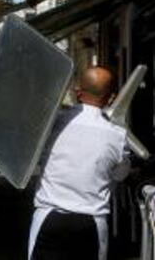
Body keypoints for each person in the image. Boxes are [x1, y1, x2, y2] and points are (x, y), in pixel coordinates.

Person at [28, 66, 133, 260]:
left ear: (78, 93)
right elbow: (120, 174)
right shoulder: (118, 136)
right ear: (111, 97)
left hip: (49, 218)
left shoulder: (51, 124)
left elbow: (31, 157)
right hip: (91, 222)